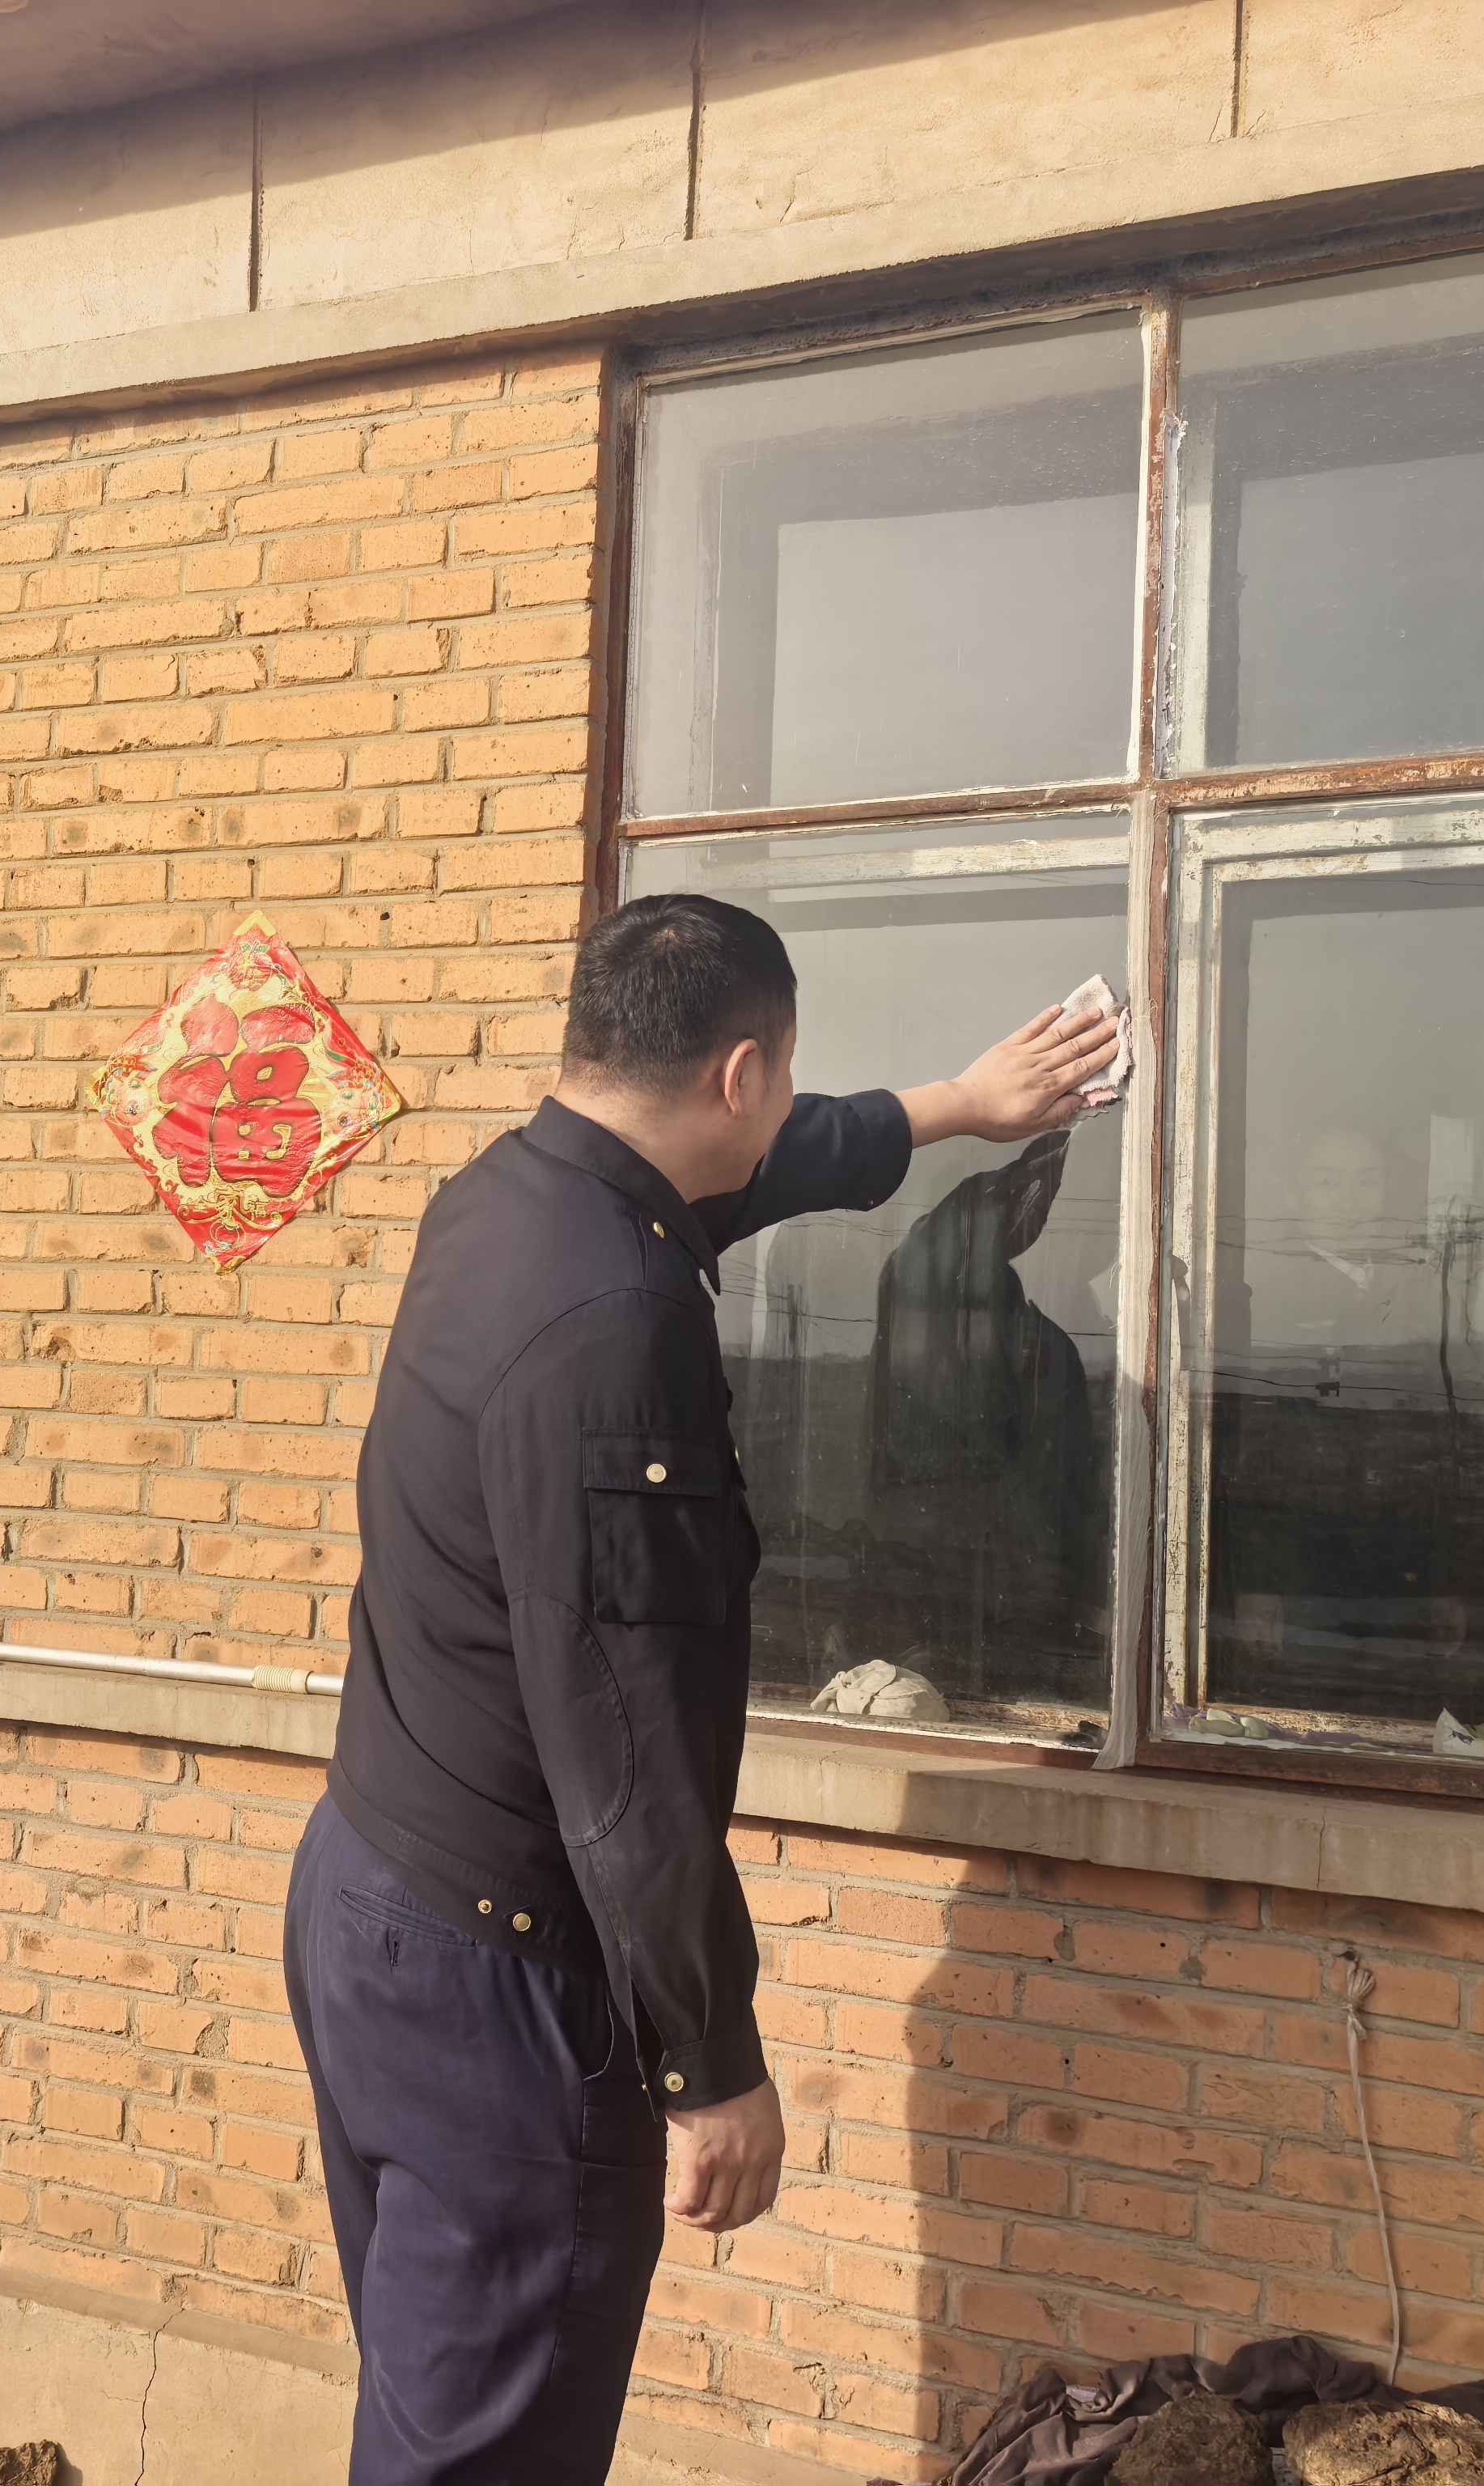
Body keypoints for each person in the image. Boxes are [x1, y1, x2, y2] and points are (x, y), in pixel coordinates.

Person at [290, 894, 1117, 2484]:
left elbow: (754, 1168)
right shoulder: (618, 1327)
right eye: (778, 1077)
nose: (781, 1108)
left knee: (434, 2406)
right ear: (741, 1072)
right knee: (489, 2450)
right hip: (502, 1976)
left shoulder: (504, 1200)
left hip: (376, 1890)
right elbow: (627, 1749)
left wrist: (955, 1104)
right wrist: (707, 2061)